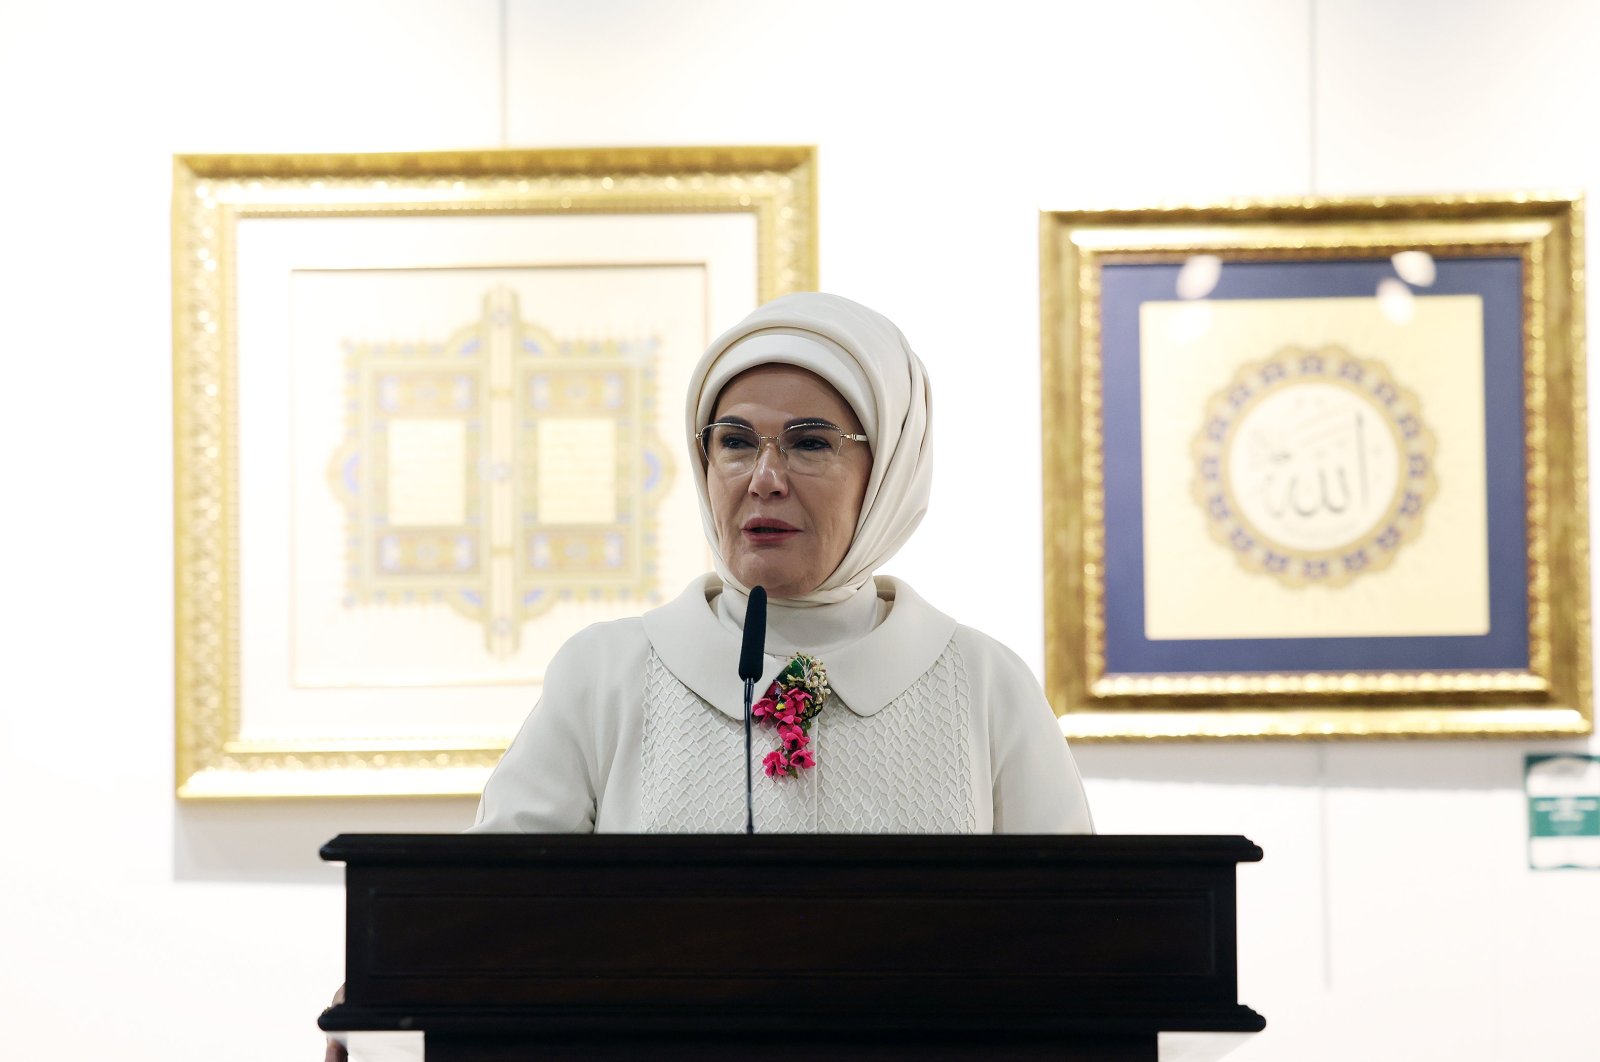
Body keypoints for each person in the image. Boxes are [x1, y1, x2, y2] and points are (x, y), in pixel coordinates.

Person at [470, 291, 1092, 833]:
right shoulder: (605, 675)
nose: (765, 479)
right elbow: (495, 919)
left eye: (811, 442)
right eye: (736, 442)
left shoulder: (984, 685)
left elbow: (1073, 932)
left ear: (889, 472)